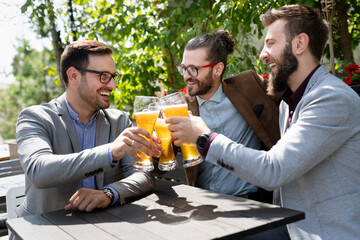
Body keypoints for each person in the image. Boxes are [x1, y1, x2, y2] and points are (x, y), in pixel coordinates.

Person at [166, 4, 360, 240]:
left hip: (323, 232)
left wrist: (203, 137)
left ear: (299, 43)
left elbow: (274, 170)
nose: (262, 54)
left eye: (270, 43)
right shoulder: (289, 102)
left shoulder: (331, 98)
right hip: (286, 222)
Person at [15, 39, 163, 218]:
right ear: (74, 76)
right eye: (103, 76)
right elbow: (39, 171)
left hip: (101, 228)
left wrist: (109, 194)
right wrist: (110, 152)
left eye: (113, 77)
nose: (112, 85)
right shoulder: (35, 117)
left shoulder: (119, 121)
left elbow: (143, 176)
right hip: (43, 230)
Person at [176, 29, 280, 202]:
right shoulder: (180, 108)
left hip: (253, 203)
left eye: (193, 69)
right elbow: (159, 166)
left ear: (217, 69)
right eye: (184, 68)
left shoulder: (249, 86)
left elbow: (291, 90)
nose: (187, 76)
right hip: (203, 205)